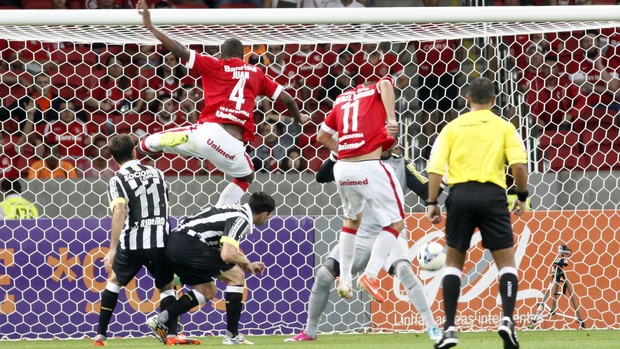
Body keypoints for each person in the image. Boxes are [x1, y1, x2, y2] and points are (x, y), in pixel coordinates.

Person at [136, 0, 310, 206]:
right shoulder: (256, 73)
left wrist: (150, 26)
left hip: (209, 134)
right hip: (232, 145)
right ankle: (220, 212)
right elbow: (288, 99)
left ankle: (148, 146)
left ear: (221, 54)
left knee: (158, 141)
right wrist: (299, 119)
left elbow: (181, 51)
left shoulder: (215, 64)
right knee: (246, 177)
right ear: (243, 56)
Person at [285, 149, 441, 342]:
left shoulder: (401, 164)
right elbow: (322, 176)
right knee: (324, 275)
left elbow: (426, 190)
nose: (390, 140)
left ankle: (432, 326)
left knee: (405, 271)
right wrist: (335, 153)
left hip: (393, 232)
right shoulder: (354, 161)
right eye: (385, 134)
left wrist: (440, 183)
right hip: (362, 234)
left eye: (393, 136)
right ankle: (310, 331)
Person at [425, 77, 528, 349]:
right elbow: (518, 166)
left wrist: (432, 201)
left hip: (459, 196)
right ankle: (507, 320)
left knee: (454, 263)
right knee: (506, 262)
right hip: (493, 196)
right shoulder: (505, 127)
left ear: (467, 100)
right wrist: (521, 196)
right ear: (494, 100)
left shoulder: (452, 127)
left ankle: (449, 329)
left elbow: (435, 169)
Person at [93, 134, 195, 346]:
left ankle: (100, 336)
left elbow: (120, 209)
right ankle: (170, 335)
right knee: (166, 285)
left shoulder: (117, 179)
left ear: (112, 157)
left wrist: (112, 248)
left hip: (132, 242)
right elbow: (164, 202)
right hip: (160, 241)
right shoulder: (157, 173)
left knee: (115, 281)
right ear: (134, 151)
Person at [146, 191, 276, 345]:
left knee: (208, 290)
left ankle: (160, 320)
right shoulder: (242, 219)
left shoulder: (235, 210)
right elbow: (227, 254)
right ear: (264, 214)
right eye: (268, 216)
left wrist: (245, 262)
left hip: (175, 242)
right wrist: (246, 262)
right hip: (189, 244)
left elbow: (222, 248)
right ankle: (232, 336)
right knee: (237, 276)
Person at [316, 76, 401, 303]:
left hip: (343, 168)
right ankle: (370, 275)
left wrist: (342, 147)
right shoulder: (374, 91)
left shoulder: (341, 100)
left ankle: (345, 278)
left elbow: (321, 136)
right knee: (395, 223)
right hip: (369, 166)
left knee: (352, 220)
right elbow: (385, 84)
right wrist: (391, 119)